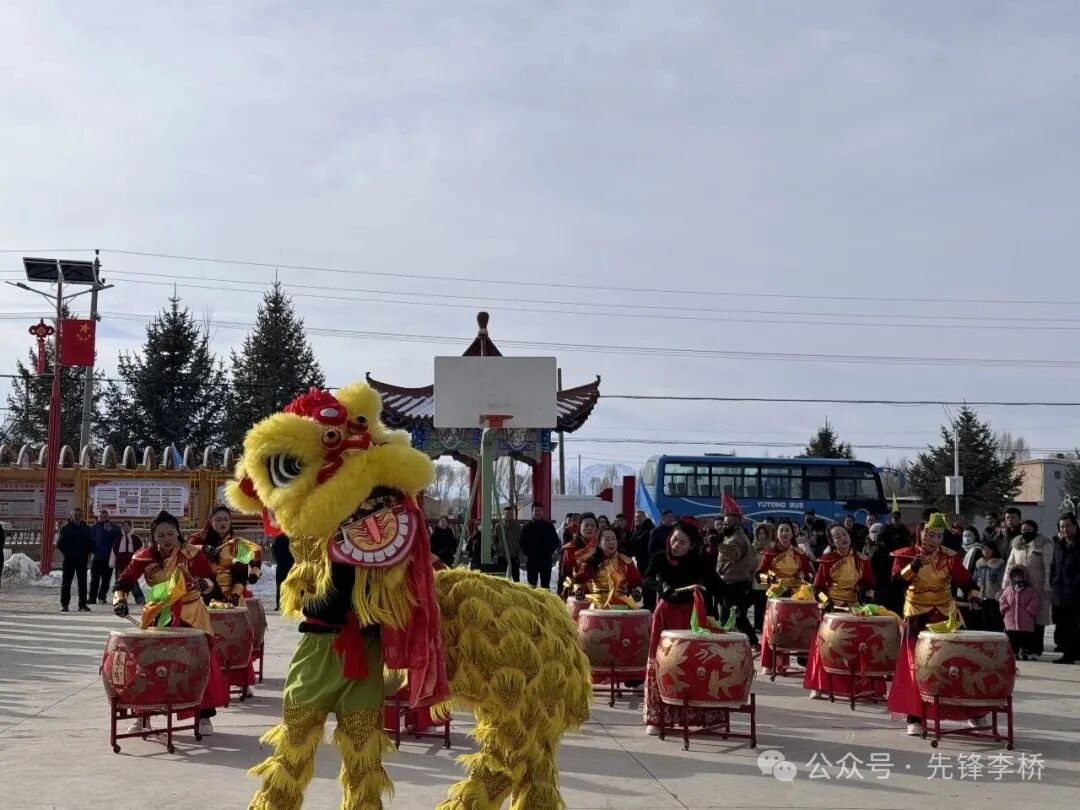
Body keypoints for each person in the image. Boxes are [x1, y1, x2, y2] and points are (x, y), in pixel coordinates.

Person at [112, 510, 228, 735]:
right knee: (150, 663)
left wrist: (205, 585)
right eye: (161, 535)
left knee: (197, 663)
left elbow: (211, 581)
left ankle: (203, 715)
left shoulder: (192, 554)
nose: (167, 539)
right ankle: (143, 715)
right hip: (159, 613)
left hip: (191, 613)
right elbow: (123, 582)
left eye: (170, 534)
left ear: (178, 533)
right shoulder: (144, 556)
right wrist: (120, 601)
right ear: (154, 537)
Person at [887, 512, 982, 736]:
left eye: (939, 536)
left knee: (959, 662)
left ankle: (972, 712)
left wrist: (974, 596)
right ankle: (915, 716)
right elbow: (895, 583)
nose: (935, 540)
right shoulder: (906, 555)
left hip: (946, 614)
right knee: (917, 666)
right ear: (921, 534)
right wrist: (912, 567)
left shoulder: (949, 556)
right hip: (917, 615)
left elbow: (966, 581)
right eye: (930, 535)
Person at [642, 517, 726, 735]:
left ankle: (700, 716)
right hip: (666, 614)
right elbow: (647, 579)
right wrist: (660, 586)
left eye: (681, 542)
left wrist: (728, 598)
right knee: (662, 661)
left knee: (692, 663)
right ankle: (657, 718)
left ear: (691, 545)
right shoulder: (659, 558)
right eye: (674, 539)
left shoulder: (699, 561)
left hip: (692, 616)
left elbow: (716, 584)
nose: (675, 545)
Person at [803, 525, 878, 699]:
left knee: (858, 646)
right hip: (832, 607)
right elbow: (817, 589)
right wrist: (827, 603)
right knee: (824, 647)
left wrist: (868, 599)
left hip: (853, 606)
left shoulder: (861, 559)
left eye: (844, 534)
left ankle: (860, 686)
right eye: (837, 536)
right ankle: (818, 686)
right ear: (832, 541)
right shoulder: (827, 560)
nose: (843, 538)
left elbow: (870, 584)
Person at [189, 504, 264, 605]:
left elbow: (255, 555)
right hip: (205, 590)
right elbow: (186, 549)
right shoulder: (199, 539)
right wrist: (203, 548)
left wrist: (255, 573)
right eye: (218, 520)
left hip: (233, 592)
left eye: (226, 519)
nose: (223, 523)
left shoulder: (235, 543)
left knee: (240, 563)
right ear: (211, 521)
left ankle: (234, 597)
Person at [1003, 519, 1052, 657]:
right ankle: (1019, 647)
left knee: (1037, 617)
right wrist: (1005, 585)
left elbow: (1048, 566)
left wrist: (1047, 585)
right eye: (1024, 529)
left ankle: (1035, 649)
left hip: (1038, 585)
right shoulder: (1016, 544)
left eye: (1029, 529)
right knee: (1019, 616)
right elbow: (1010, 565)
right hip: (1019, 586)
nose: (1026, 532)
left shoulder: (1044, 544)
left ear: (1035, 529)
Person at [715, 498, 759, 648]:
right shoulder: (734, 536)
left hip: (734, 583)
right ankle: (734, 642)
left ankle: (751, 642)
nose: (724, 526)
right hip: (731, 582)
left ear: (736, 523)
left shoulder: (737, 538)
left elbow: (734, 555)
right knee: (731, 615)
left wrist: (719, 545)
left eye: (727, 524)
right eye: (724, 523)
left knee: (735, 616)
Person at [574, 528, 642, 608]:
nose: (612, 542)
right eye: (607, 540)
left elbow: (636, 584)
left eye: (614, 539)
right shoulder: (591, 562)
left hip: (620, 603)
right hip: (598, 602)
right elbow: (579, 581)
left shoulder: (626, 562)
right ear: (599, 543)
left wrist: (637, 591)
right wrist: (579, 589)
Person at [1049, 513, 1080, 664]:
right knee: (1063, 624)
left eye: (1068, 525)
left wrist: (1075, 585)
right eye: (1062, 526)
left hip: (1076, 592)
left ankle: (1071, 654)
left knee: (1075, 624)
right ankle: (1069, 653)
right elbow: (1053, 565)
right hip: (1059, 592)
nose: (1065, 529)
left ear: (1075, 526)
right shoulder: (1059, 545)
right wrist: (1052, 582)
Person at [999, 564, 1040, 660]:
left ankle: (1024, 651)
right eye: (1015, 576)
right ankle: (1014, 652)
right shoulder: (1008, 590)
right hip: (1011, 619)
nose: (1017, 578)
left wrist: (1030, 610)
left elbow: (1035, 600)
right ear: (1011, 577)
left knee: (1025, 637)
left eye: (1020, 576)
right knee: (1012, 637)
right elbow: (1002, 599)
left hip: (1025, 619)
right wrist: (1005, 608)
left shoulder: (1030, 590)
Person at [57, 507, 93, 612]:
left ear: (82, 516)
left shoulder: (87, 529)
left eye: (79, 515)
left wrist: (86, 553)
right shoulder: (65, 529)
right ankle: (65, 605)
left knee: (82, 583)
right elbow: (60, 544)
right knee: (66, 583)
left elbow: (91, 543)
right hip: (69, 560)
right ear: (71, 516)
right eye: (75, 515)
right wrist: (68, 553)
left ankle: (82, 604)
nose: (77, 517)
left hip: (82, 559)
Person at [520, 502, 561, 590]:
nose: (537, 512)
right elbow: (521, 543)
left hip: (546, 560)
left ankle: (545, 599)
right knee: (531, 586)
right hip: (532, 560)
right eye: (535, 510)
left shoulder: (549, 526)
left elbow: (556, 541)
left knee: (545, 586)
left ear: (542, 512)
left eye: (539, 510)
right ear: (532, 512)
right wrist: (527, 553)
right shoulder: (526, 527)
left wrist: (550, 551)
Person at [559, 512, 599, 596]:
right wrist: (576, 586)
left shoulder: (600, 547)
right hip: (576, 591)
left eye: (593, 526)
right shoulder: (570, 548)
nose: (590, 528)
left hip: (598, 590)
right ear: (580, 527)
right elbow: (565, 573)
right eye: (586, 525)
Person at [89, 509, 121, 605]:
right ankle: (92, 598)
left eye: (105, 517)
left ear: (108, 517)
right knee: (94, 580)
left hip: (109, 558)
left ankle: (102, 597)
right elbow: (90, 539)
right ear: (98, 518)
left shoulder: (114, 526)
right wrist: (92, 550)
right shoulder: (94, 527)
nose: (103, 519)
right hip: (97, 557)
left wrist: (111, 530)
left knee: (106, 580)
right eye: (101, 517)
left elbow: (119, 537)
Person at [110, 520, 144, 605]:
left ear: (130, 527)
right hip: (120, 564)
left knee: (133, 582)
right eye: (124, 526)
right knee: (119, 583)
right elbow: (114, 551)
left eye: (128, 526)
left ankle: (140, 599)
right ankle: (119, 599)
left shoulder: (135, 538)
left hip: (132, 565)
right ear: (122, 527)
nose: (126, 527)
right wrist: (112, 562)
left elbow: (141, 551)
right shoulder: (118, 538)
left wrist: (142, 562)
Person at [749, 522, 774, 634]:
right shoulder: (753, 546)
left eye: (764, 533)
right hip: (757, 578)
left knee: (767, 603)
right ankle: (758, 626)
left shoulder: (772, 546)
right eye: (759, 533)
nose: (762, 536)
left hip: (769, 578)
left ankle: (768, 625)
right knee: (758, 603)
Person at [974, 543, 1005, 631]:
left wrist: (1001, 591)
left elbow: (1003, 579)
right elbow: (975, 578)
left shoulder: (999, 563)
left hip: (995, 595)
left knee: (995, 617)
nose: (986, 552)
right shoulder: (979, 563)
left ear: (994, 551)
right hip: (981, 594)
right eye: (984, 550)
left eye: (989, 550)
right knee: (984, 618)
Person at [499, 505, 523, 582]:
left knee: (516, 577)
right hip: (502, 555)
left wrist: (517, 549)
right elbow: (493, 539)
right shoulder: (498, 526)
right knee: (500, 577)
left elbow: (521, 540)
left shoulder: (518, 527)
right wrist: (498, 548)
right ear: (503, 514)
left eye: (510, 513)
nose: (508, 515)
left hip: (514, 555)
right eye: (506, 514)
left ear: (513, 514)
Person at [272, 532, 294, 611]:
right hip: (291, 565)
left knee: (280, 585)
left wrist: (277, 560)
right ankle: (291, 605)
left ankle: (280, 605)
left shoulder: (279, 538)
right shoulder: (293, 537)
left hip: (281, 565)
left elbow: (274, 551)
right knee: (291, 585)